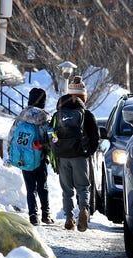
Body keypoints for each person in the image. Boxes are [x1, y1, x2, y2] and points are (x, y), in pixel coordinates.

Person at [52, 76, 99, 232]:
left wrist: (56, 153)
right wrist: (88, 152)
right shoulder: (86, 114)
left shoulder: (58, 113)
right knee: (83, 187)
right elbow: (95, 137)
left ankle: (69, 218)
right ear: (83, 96)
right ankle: (84, 209)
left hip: (62, 156)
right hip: (79, 156)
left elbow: (51, 134)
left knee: (67, 190)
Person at [8, 88, 54, 226]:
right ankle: (46, 214)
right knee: (42, 186)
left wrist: (10, 150)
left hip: (24, 157)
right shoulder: (44, 117)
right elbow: (51, 137)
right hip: (40, 157)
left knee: (30, 187)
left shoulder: (22, 115)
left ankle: (33, 215)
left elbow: (11, 135)